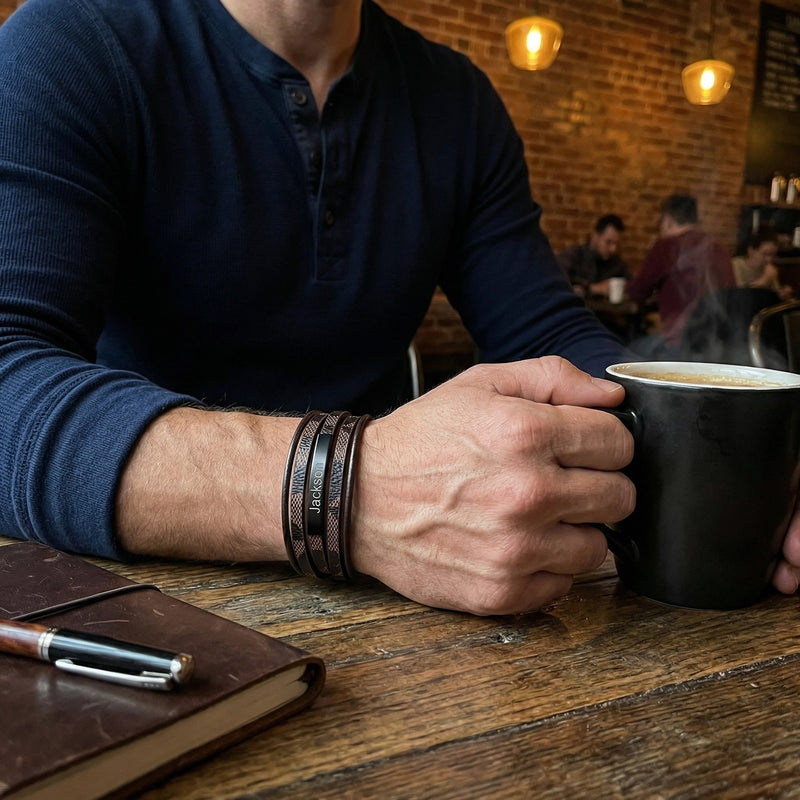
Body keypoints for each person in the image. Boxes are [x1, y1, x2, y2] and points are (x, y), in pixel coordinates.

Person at [1, 1, 799, 616]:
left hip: (415, 602)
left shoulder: (457, 101)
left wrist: (739, 457)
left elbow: (549, 335)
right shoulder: (67, 44)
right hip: (131, 604)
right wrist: (349, 490)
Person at [626, 194, 735, 360]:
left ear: (668, 220)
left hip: (679, 346)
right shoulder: (718, 247)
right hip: (718, 348)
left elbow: (638, 292)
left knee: (625, 352)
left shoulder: (666, 246)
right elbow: (731, 292)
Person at [557, 214, 630, 298]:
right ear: (595, 236)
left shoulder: (617, 264)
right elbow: (557, 283)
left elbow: (631, 285)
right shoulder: (573, 256)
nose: (613, 249)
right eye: (608, 242)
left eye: (617, 244)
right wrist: (593, 289)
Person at [732, 231, 793, 301]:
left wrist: (782, 295)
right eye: (765, 254)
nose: (769, 259)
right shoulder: (736, 265)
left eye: (773, 255)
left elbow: (773, 298)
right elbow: (741, 297)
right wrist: (764, 280)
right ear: (751, 250)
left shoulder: (769, 270)